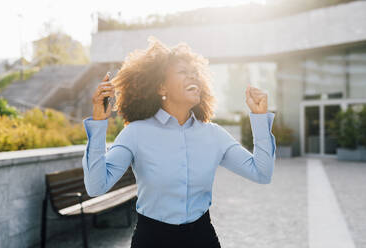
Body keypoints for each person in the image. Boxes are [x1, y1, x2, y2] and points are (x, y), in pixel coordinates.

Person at [82, 36, 276, 248]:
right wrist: (99, 124)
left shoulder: (214, 135)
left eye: (195, 73)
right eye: (183, 72)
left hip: (202, 238)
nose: (193, 76)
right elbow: (96, 186)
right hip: (153, 240)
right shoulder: (136, 133)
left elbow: (262, 173)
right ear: (161, 88)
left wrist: (259, 119)